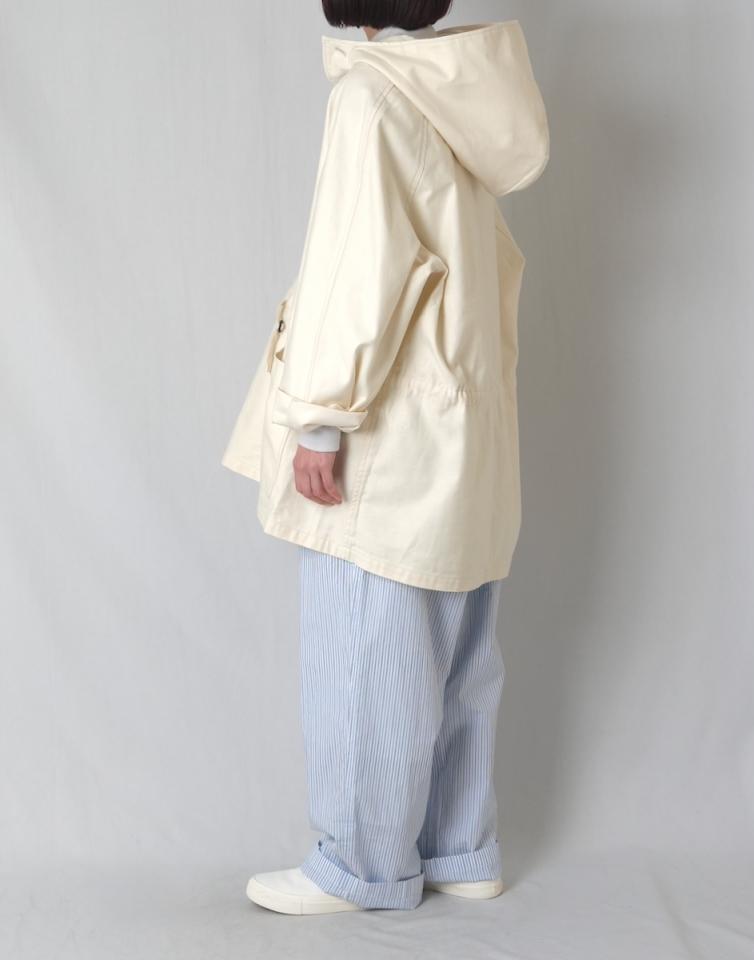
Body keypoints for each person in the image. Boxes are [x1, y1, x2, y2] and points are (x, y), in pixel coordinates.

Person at [221, 0, 549, 914]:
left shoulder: (372, 98)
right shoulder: (461, 99)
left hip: (394, 437)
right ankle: (461, 846)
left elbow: (355, 269)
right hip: (469, 430)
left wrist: (320, 419)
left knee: (371, 652)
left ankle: (363, 865)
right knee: (459, 649)